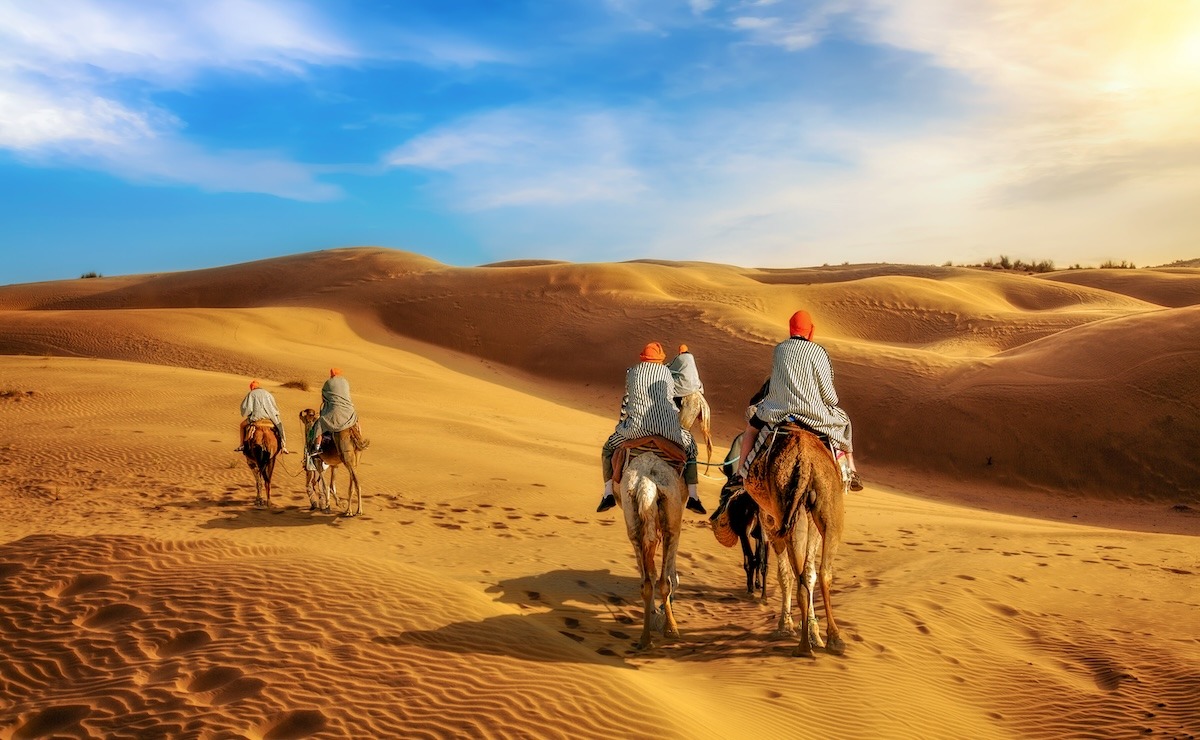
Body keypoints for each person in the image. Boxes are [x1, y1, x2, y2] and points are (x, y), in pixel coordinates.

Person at [735, 310, 862, 491]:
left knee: (750, 430)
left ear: (790, 328)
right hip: (815, 416)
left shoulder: (779, 349)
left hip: (779, 413)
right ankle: (850, 470)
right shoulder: (819, 352)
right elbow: (829, 395)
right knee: (844, 423)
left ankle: (740, 473)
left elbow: (776, 384)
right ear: (811, 331)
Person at [597, 342, 707, 515]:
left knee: (608, 447)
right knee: (691, 448)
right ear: (661, 359)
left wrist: (623, 424)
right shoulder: (668, 375)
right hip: (669, 431)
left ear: (642, 358)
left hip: (636, 429)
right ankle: (693, 496)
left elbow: (627, 402)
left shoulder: (632, 372)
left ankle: (608, 492)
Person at [308, 368, 363, 454]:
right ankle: (360, 440)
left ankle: (316, 447)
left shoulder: (328, 383)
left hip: (334, 412)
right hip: (348, 411)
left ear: (331, 374)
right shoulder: (345, 382)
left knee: (319, 424)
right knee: (356, 422)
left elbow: (324, 397)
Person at [235, 380, 290, 454]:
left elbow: (246, 409)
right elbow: (274, 407)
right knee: (280, 427)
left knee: (242, 425)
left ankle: (242, 445)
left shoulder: (251, 394)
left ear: (252, 387)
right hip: (271, 418)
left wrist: (248, 413)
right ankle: (283, 446)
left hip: (256, 418)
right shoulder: (268, 394)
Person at [667, 344, 704, 409]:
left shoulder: (680, 357)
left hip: (684, 386)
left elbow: (671, 368)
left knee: (669, 387)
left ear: (680, 351)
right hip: (695, 385)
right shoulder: (691, 357)